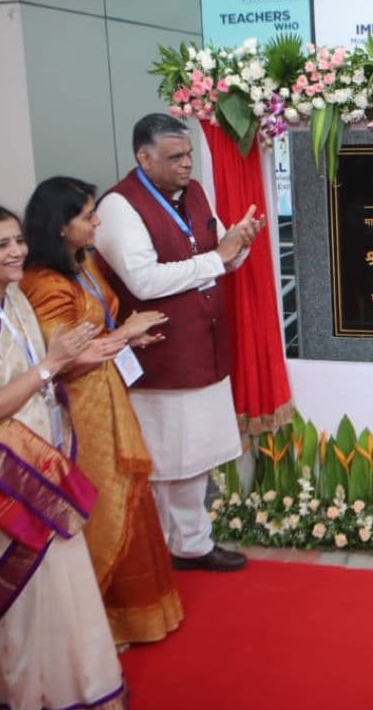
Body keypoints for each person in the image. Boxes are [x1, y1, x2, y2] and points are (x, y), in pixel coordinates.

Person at [0, 203, 127, 710]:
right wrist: (51, 365)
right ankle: (26, 702)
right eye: (1, 245)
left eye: (18, 240)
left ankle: (70, 694)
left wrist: (91, 352)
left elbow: (37, 372)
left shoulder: (11, 298)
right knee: (26, 592)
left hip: (35, 455)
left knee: (60, 582)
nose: (17, 251)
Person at [94, 114, 263, 572]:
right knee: (163, 460)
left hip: (204, 346)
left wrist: (239, 243)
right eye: (175, 157)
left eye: (189, 154)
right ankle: (153, 548)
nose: (187, 164)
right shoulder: (119, 206)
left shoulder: (195, 193)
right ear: (144, 158)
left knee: (196, 456)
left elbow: (220, 255)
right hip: (160, 353)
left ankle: (192, 544)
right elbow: (144, 281)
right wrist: (218, 257)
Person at [21, 176, 184, 646]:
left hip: (106, 393)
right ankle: (99, 624)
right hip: (77, 411)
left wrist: (125, 338)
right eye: (88, 215)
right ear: (60, 225)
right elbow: (62, 360)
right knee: (101, 505)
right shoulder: (44, 283)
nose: (97, 222)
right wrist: (125, 334)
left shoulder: (81, 263)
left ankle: (137, 613)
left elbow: (98, 331)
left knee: (128, 497)